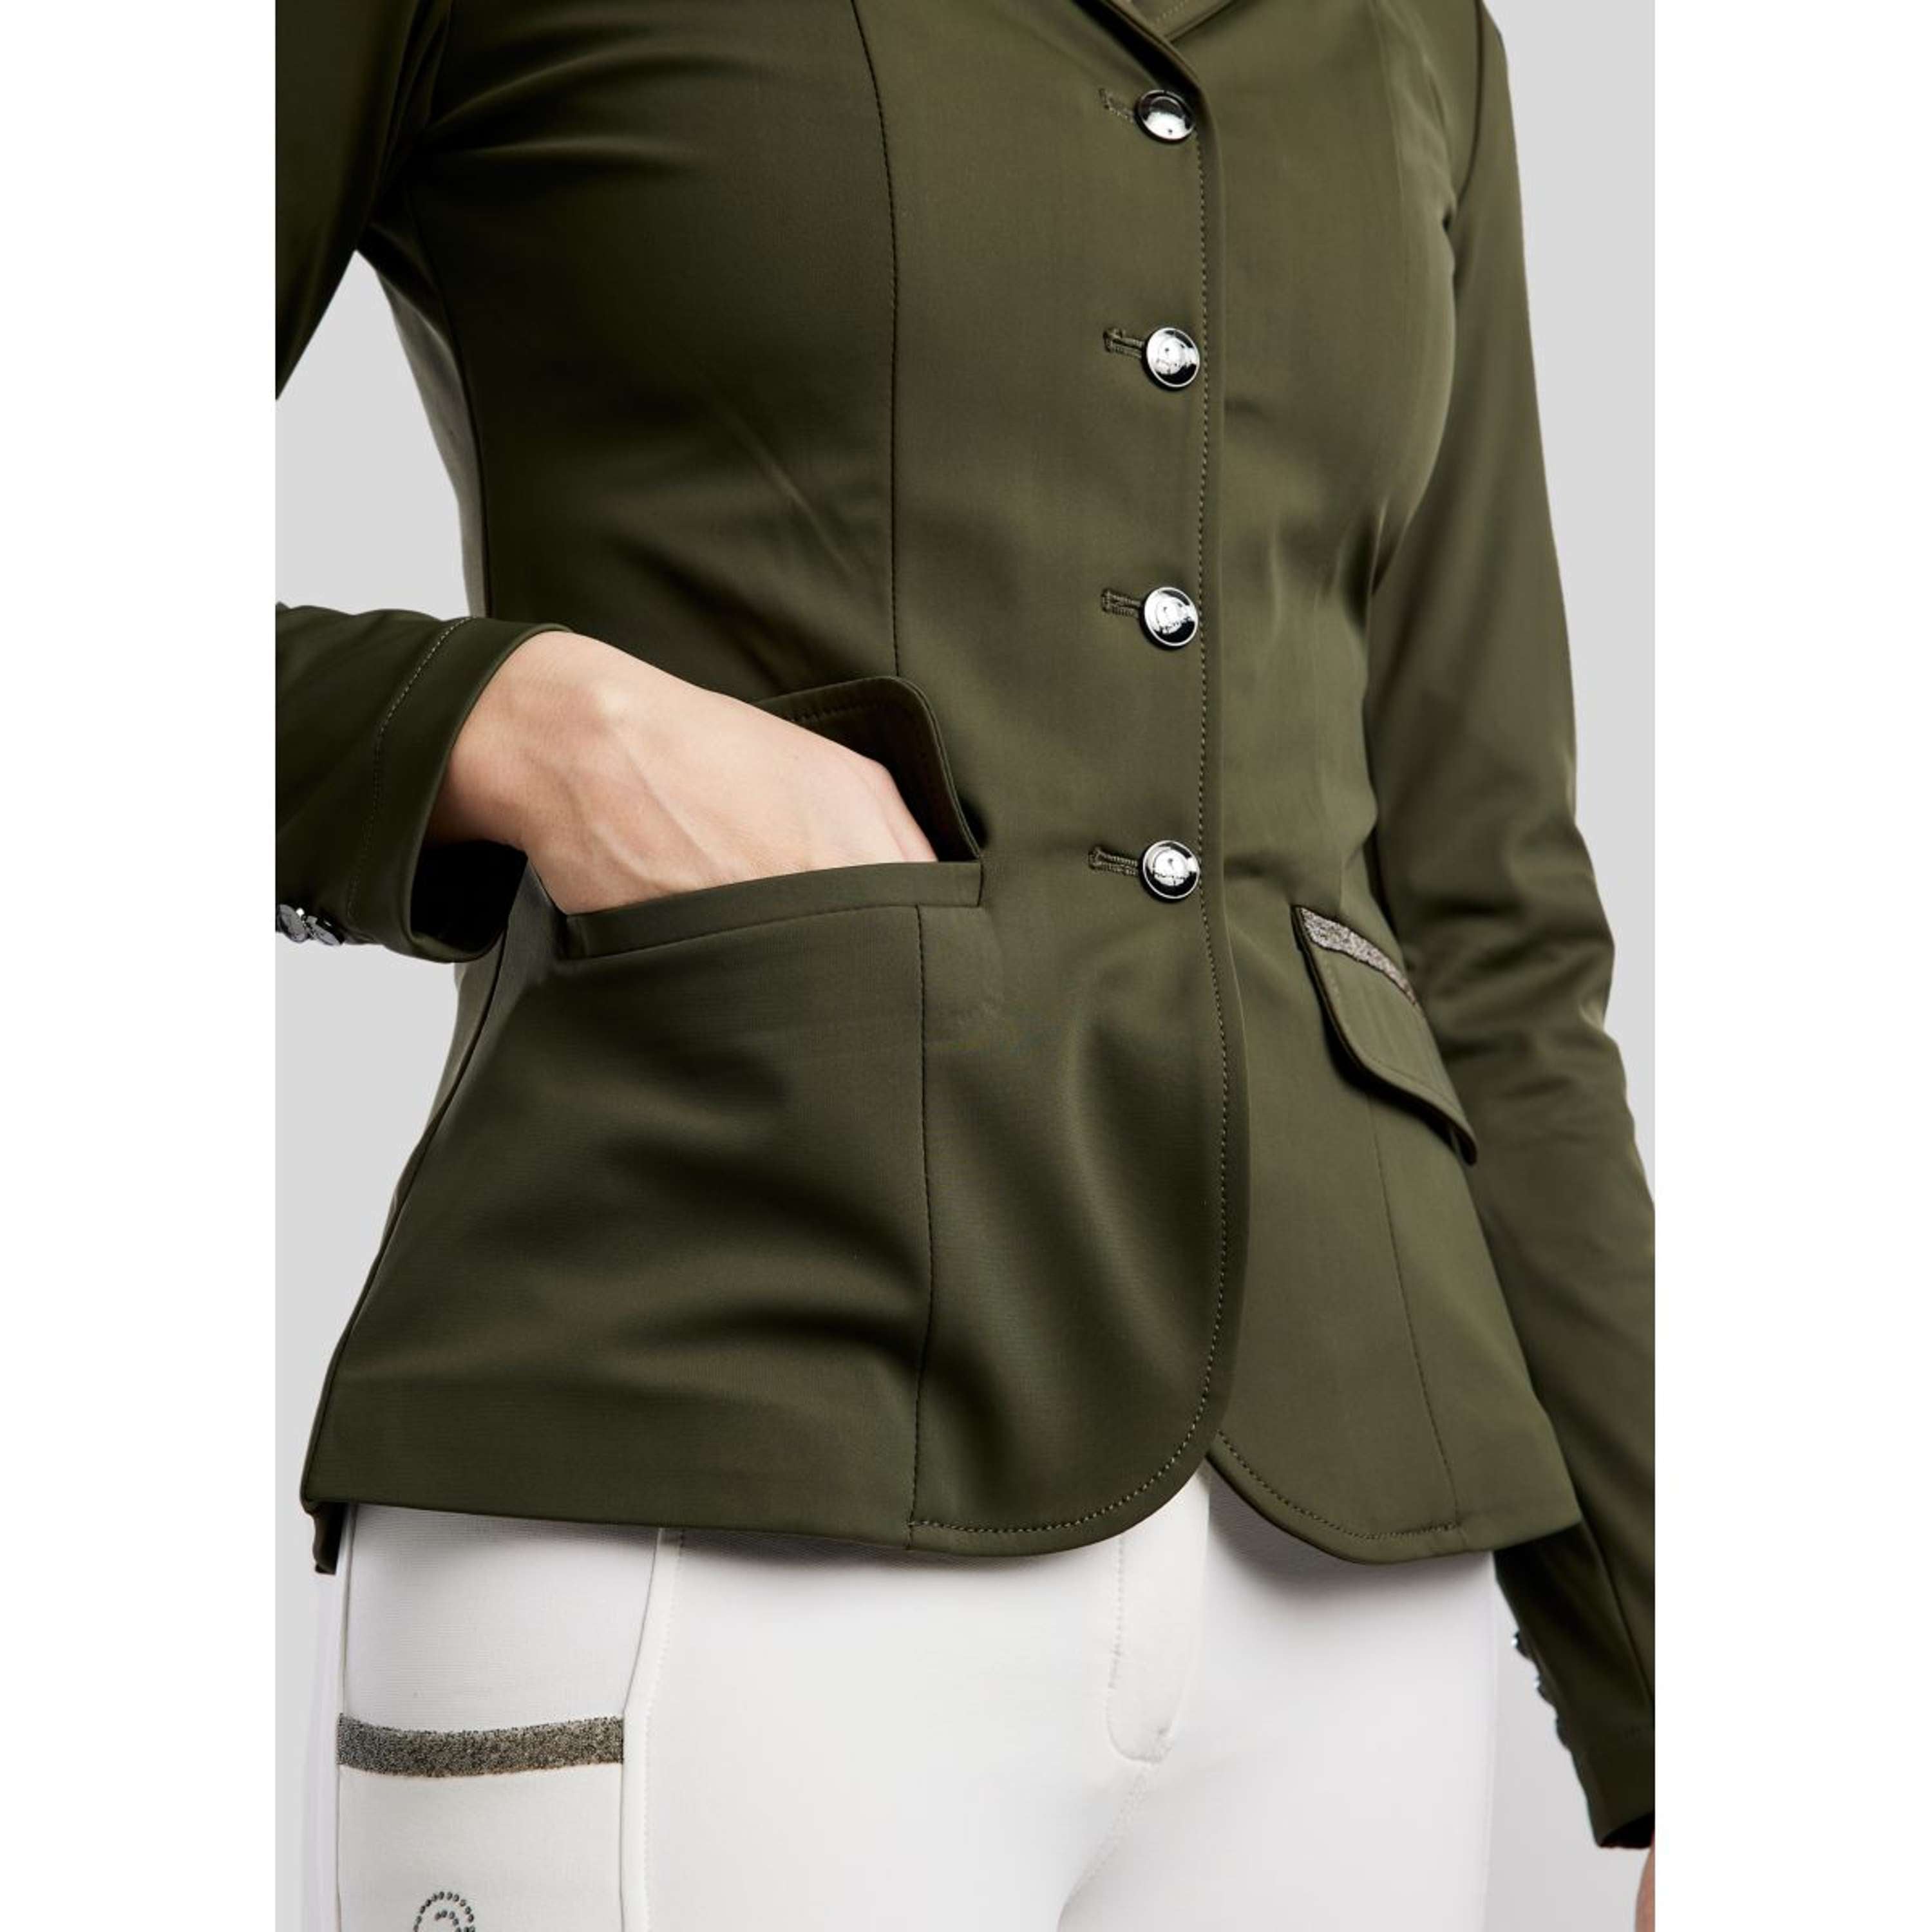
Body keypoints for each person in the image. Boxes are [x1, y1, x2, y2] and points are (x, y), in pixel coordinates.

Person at [278, 0, 1654, 1923]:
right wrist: (522, 727)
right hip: (705, 1442)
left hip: (1355, 1590)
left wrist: (1690, 1704)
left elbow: (1490, 921)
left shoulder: (1422, 33)